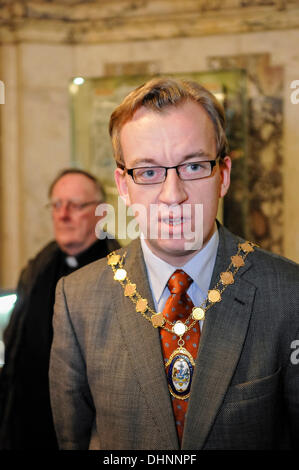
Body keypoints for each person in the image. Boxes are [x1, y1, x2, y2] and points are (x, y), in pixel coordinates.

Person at [49, 78, 299, 450]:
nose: (173, 195)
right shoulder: (79, 300)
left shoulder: (287, 292)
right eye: (148, 172)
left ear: (223, 175)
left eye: (194, 166)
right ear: (123, 185)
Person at [0, 168, 119, 450]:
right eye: (57, 205)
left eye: (75, 206)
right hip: (29, 424)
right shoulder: (36, 269)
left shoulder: (121, 274)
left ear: (101, 214)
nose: (63, 215)